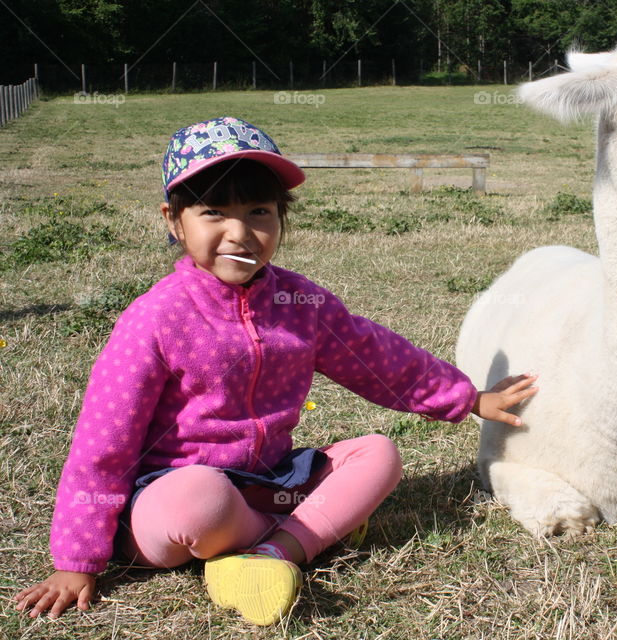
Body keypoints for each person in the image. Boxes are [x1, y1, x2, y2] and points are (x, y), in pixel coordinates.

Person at [13, 116, 537, 626]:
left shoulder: (299, 301)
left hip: (267, 480)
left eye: (259, 211)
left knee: (379, 453)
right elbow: (104, 443)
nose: (240, 233)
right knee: (198, 499)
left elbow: (373, 356)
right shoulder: (155, 318)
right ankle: (310, 528)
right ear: (173, 220)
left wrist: (467, 399)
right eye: (213, 212)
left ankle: (275, 552)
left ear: (281, 217)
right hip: (168, 499)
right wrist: (75, 560)